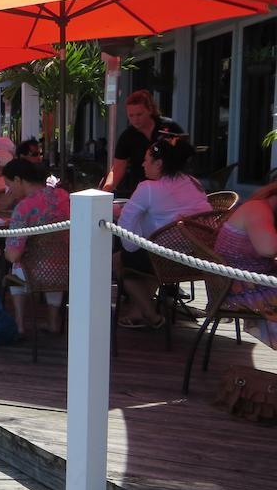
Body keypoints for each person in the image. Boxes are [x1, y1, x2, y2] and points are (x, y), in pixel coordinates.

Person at [115, 138, 210, 329]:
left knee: (117, 260)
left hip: (166, 261)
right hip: (199, 258)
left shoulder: (148, 189)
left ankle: (150, 314)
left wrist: (133, 245)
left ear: (159, 164)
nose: (142, 164)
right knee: (150, 255)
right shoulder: (192, 182)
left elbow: (127, 235)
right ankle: (138, 312)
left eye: (146, 160)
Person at [3, 158, 70, 335]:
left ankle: (19, 322)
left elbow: (14, 255)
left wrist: (2, 252)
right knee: (53, 263)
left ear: (18, 180)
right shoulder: (64, 196)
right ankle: (53, 320)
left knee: (14, 269)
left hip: (35, 274)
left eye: (9, 185)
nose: (9, 191)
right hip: (68, 270)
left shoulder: (24, 207)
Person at [213, 183, 277, 346]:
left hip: (248, 280)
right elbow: (268, 249)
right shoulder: (258, 209)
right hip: (237, 287)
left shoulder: (264, 208)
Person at [103, 89, 184, 199]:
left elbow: (183, 159)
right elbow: (117, 168)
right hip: (142, 192)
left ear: (150, 110)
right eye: (131, 116)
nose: (135, 119)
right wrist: (104, 193)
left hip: (172, 190)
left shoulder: (170, 128)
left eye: (139, 114)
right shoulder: (128, 136)